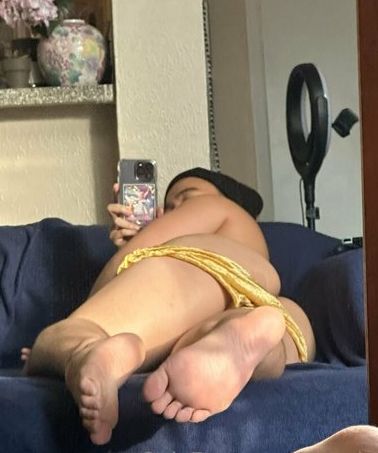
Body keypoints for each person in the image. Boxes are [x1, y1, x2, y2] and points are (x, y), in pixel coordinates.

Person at [24, 167, 316, 445]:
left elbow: (129, 262)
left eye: (184, 198)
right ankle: (244, 346)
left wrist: (90, 317)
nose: (171, 210)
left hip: (202, 268)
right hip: (274, 305)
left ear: (226, 197)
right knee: (260, 338)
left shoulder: (215, 207)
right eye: (168, 206)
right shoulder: (251, 243)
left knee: (65, 336)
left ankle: (85, 349)